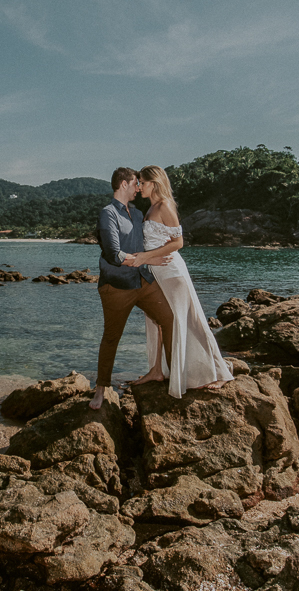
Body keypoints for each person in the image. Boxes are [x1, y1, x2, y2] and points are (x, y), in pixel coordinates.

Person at [126, 165, 233, 398]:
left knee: (189, 320)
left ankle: (219, 372)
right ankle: (157, 370)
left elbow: (178, 243)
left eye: (142, 182)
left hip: (172, 272)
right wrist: (142, 258)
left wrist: (144, 257)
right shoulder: (151, 207)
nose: (139, 186)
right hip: (156, 272)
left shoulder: (164, 205)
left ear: (154, 183)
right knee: (157, 319)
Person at [91, 167, 176, 410]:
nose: (139, 187)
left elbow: (153, 240)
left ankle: (171, 375)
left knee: (169, 319)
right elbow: (114, 254)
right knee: (111, 338)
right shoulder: (108, 213)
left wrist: (160, 254)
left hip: (143, 281)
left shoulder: (138, 213)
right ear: (124, 184)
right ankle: (101, 389)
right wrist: (149, 259)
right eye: (135, 183)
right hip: (116, 286)